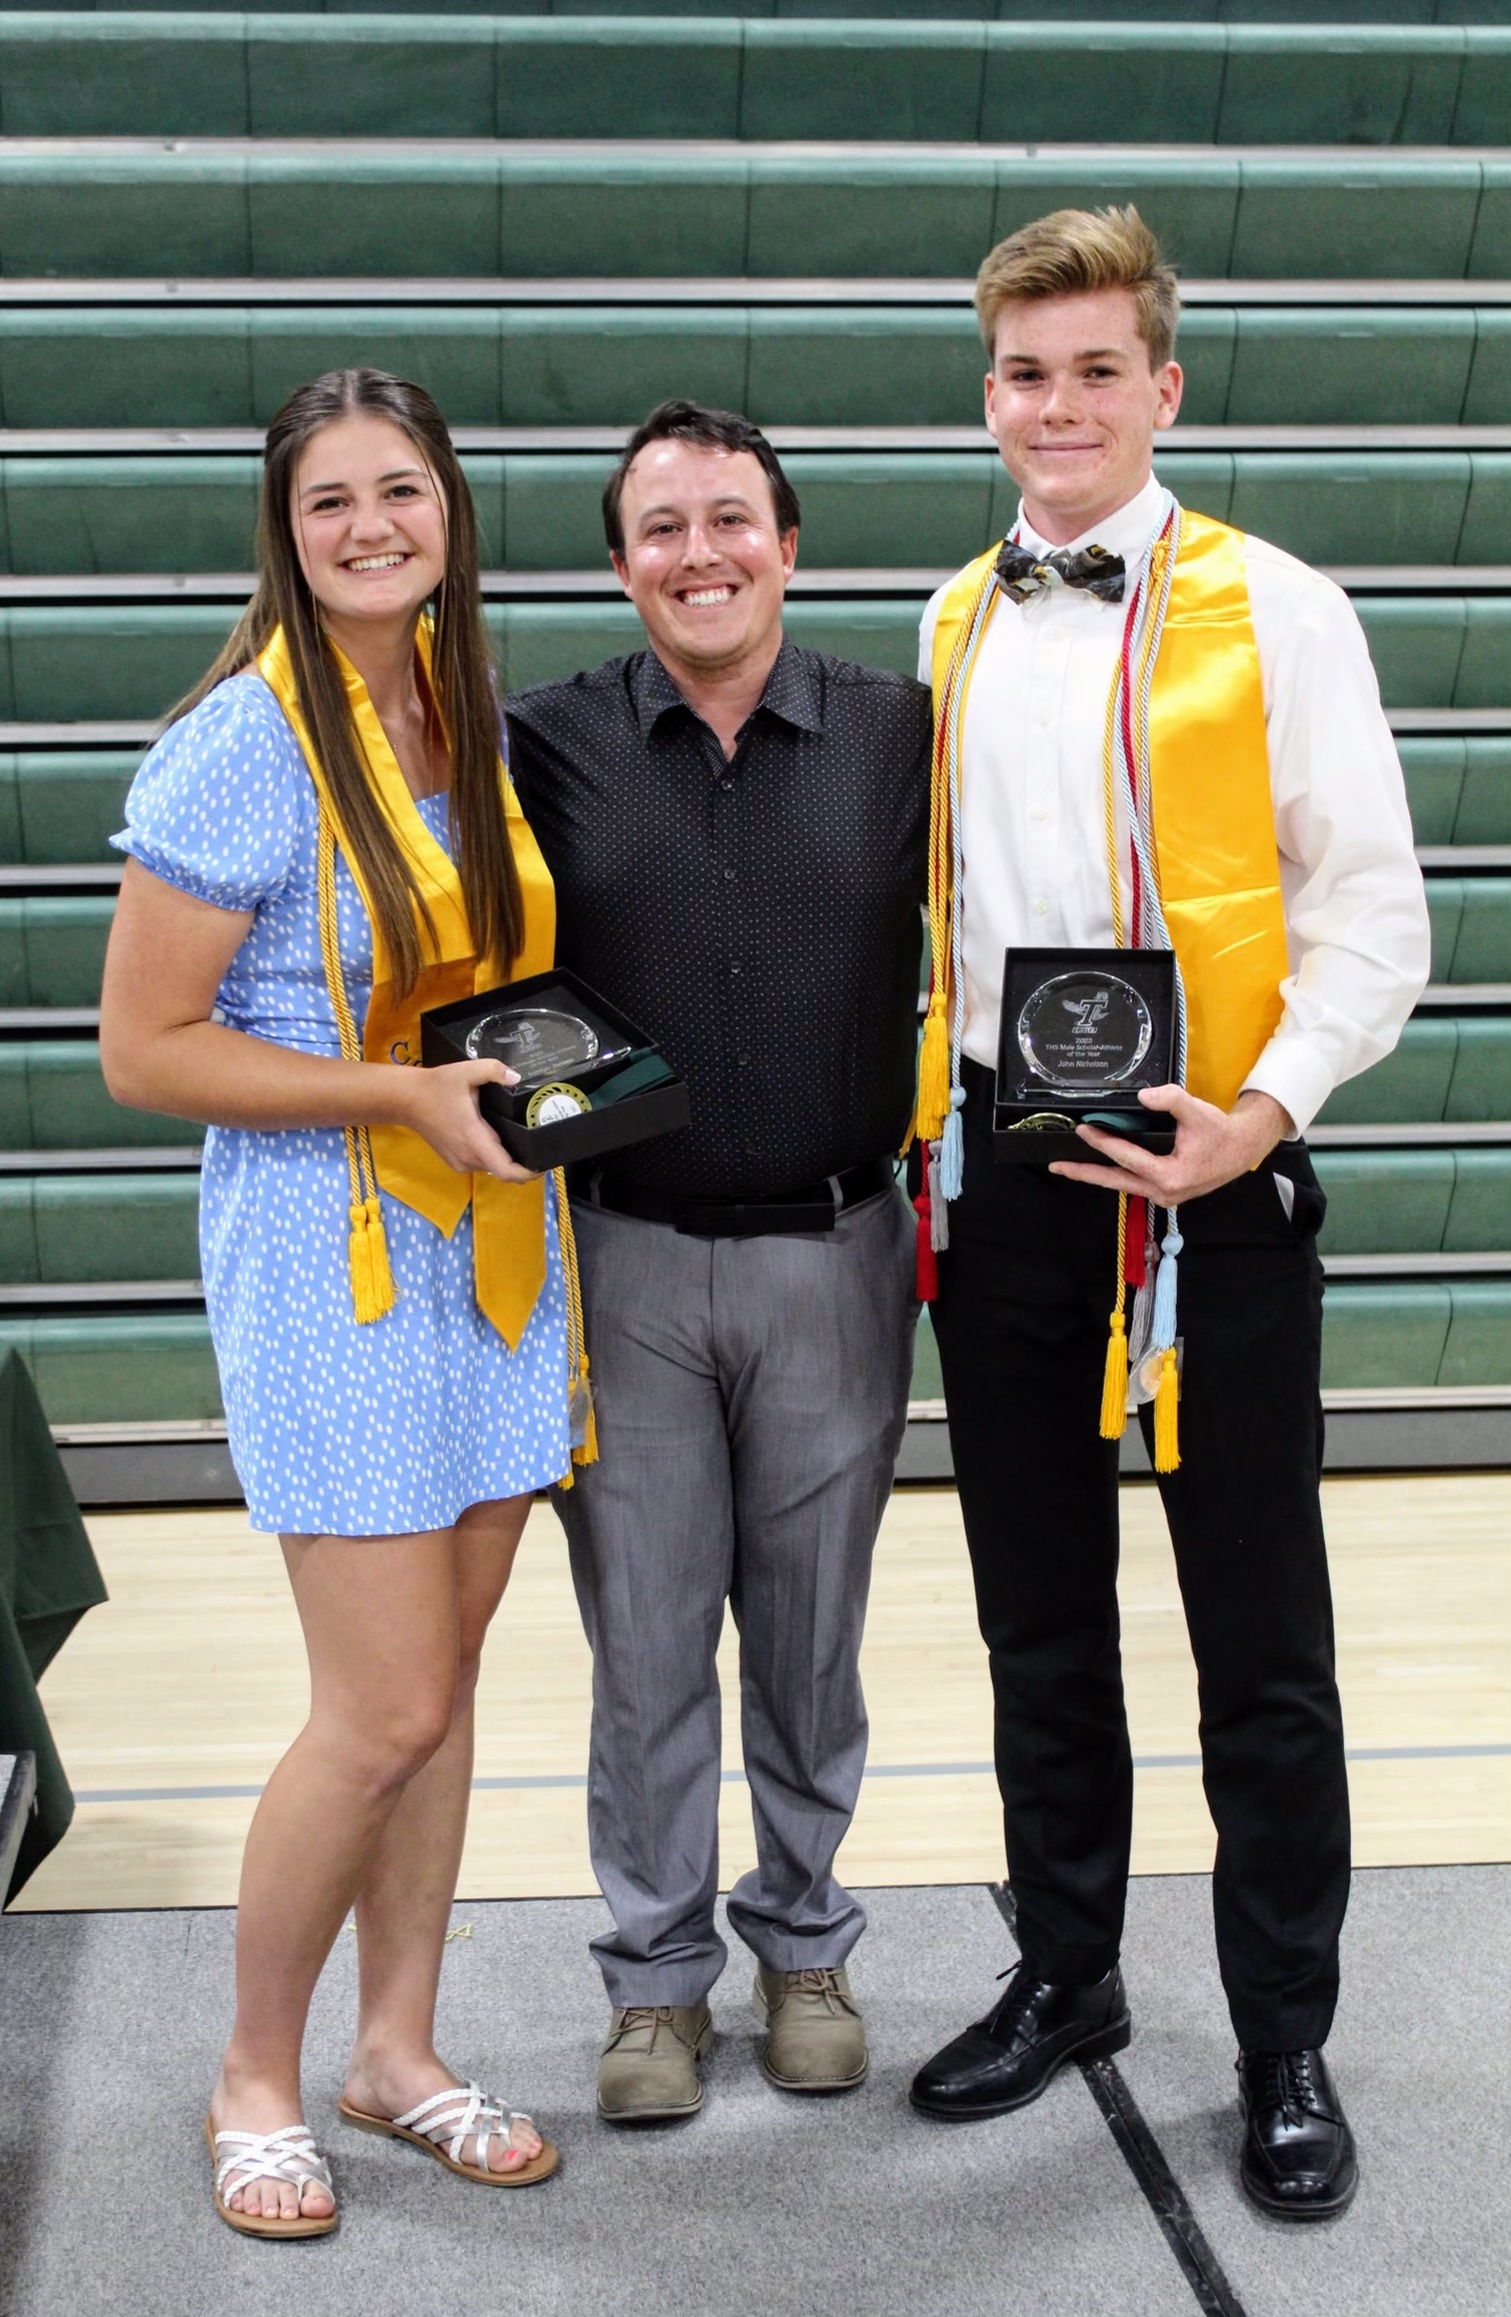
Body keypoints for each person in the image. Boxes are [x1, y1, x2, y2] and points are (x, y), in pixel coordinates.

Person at [905, 211, 1430, 2219]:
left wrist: (1260, 1115)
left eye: (1097, 370)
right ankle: (1071, 1968)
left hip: (1220, 1179)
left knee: (1258, 1636)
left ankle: (1285, 2033)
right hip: (1014, 1191)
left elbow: (1378, 915)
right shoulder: (955, 620)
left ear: (1165, 387)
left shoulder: (1278, 609)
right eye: (1027, 374)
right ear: (989, 396)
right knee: (1039, 1619)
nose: (1059, 405)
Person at [100, 368, 579, 2237]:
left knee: (446, 1694)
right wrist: (393, 1093)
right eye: (330, 504)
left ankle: (399, 2048)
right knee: (372, 1709)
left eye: (401, 489)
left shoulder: (465, 717)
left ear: (448, 506)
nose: (372, 524)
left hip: (491, 1251)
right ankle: (253, 2072)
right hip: (332, 1263)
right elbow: (146, 1047)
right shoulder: (242, 740)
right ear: (285, 538)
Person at [505, 400, 930, 2122]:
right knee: (649, 1639)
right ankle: (657, 1983)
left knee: (814, 1636)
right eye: (663, 528)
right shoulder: (546, 742)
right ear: (620, 565)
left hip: (838, 1248)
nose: (702, 553)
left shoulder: (907, 734)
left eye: (732, 519)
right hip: (624, 1259)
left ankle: (807, 1940)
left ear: (789, 544)